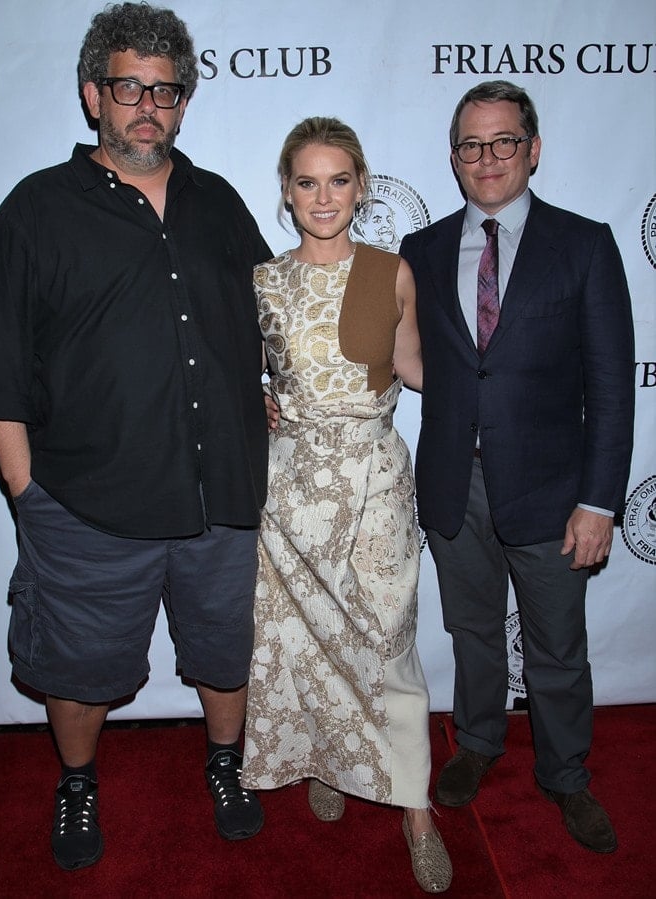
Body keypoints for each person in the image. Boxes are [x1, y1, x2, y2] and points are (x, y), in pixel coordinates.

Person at [0, 2, 271, 871]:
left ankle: (225, 763)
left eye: (165, 90)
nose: (147, 105)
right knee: (80, 665)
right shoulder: (35, 211)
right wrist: (30, 495)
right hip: (87, 504)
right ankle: (78, 778)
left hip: (222, 500)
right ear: (94, 92)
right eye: (129, 86)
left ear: (183, 101)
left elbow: (266, 325)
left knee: (223, 645)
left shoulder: (218, 202)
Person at [399, 81, 635, 854]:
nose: (487, 158)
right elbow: (393, 357)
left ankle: (566, 774)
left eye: (504, 141)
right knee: (471, 630)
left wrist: (600, 500)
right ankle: (477, 742)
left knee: (556, 646)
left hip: (552, 488)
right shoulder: (422, 251)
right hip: (451, 483)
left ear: (533, 149)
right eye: (471, 144)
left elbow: (609, 385)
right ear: (455, 158)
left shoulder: (586, 243)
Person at [240, 116, 453, 894]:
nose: (322, 196)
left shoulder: (392, 270)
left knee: (388, 641)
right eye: (306, 182)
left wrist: (501, 373)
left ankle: (416, 808)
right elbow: (244, 374)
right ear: (288, 193)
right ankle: (326, 757)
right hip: (290, 493)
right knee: (301, 641)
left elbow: (417, 367)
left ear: (361, 187)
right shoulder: (263, 280)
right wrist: (258, 399)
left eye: (338, 180)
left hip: (373, 488)